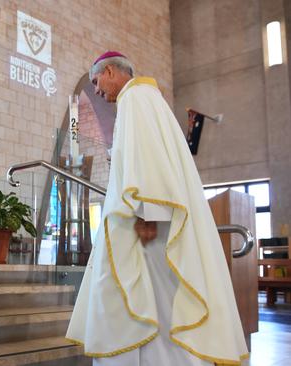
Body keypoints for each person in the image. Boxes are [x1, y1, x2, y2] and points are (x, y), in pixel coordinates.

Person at [66, 51, 248, 365]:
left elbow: (145, 157)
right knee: (158, 309)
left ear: (110, 71)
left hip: (145, 228)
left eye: (96, 82)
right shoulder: (147, 98)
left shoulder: (135, 100)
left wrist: (147, 216)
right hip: (148, 221)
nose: (97, 91)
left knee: (148, 310)